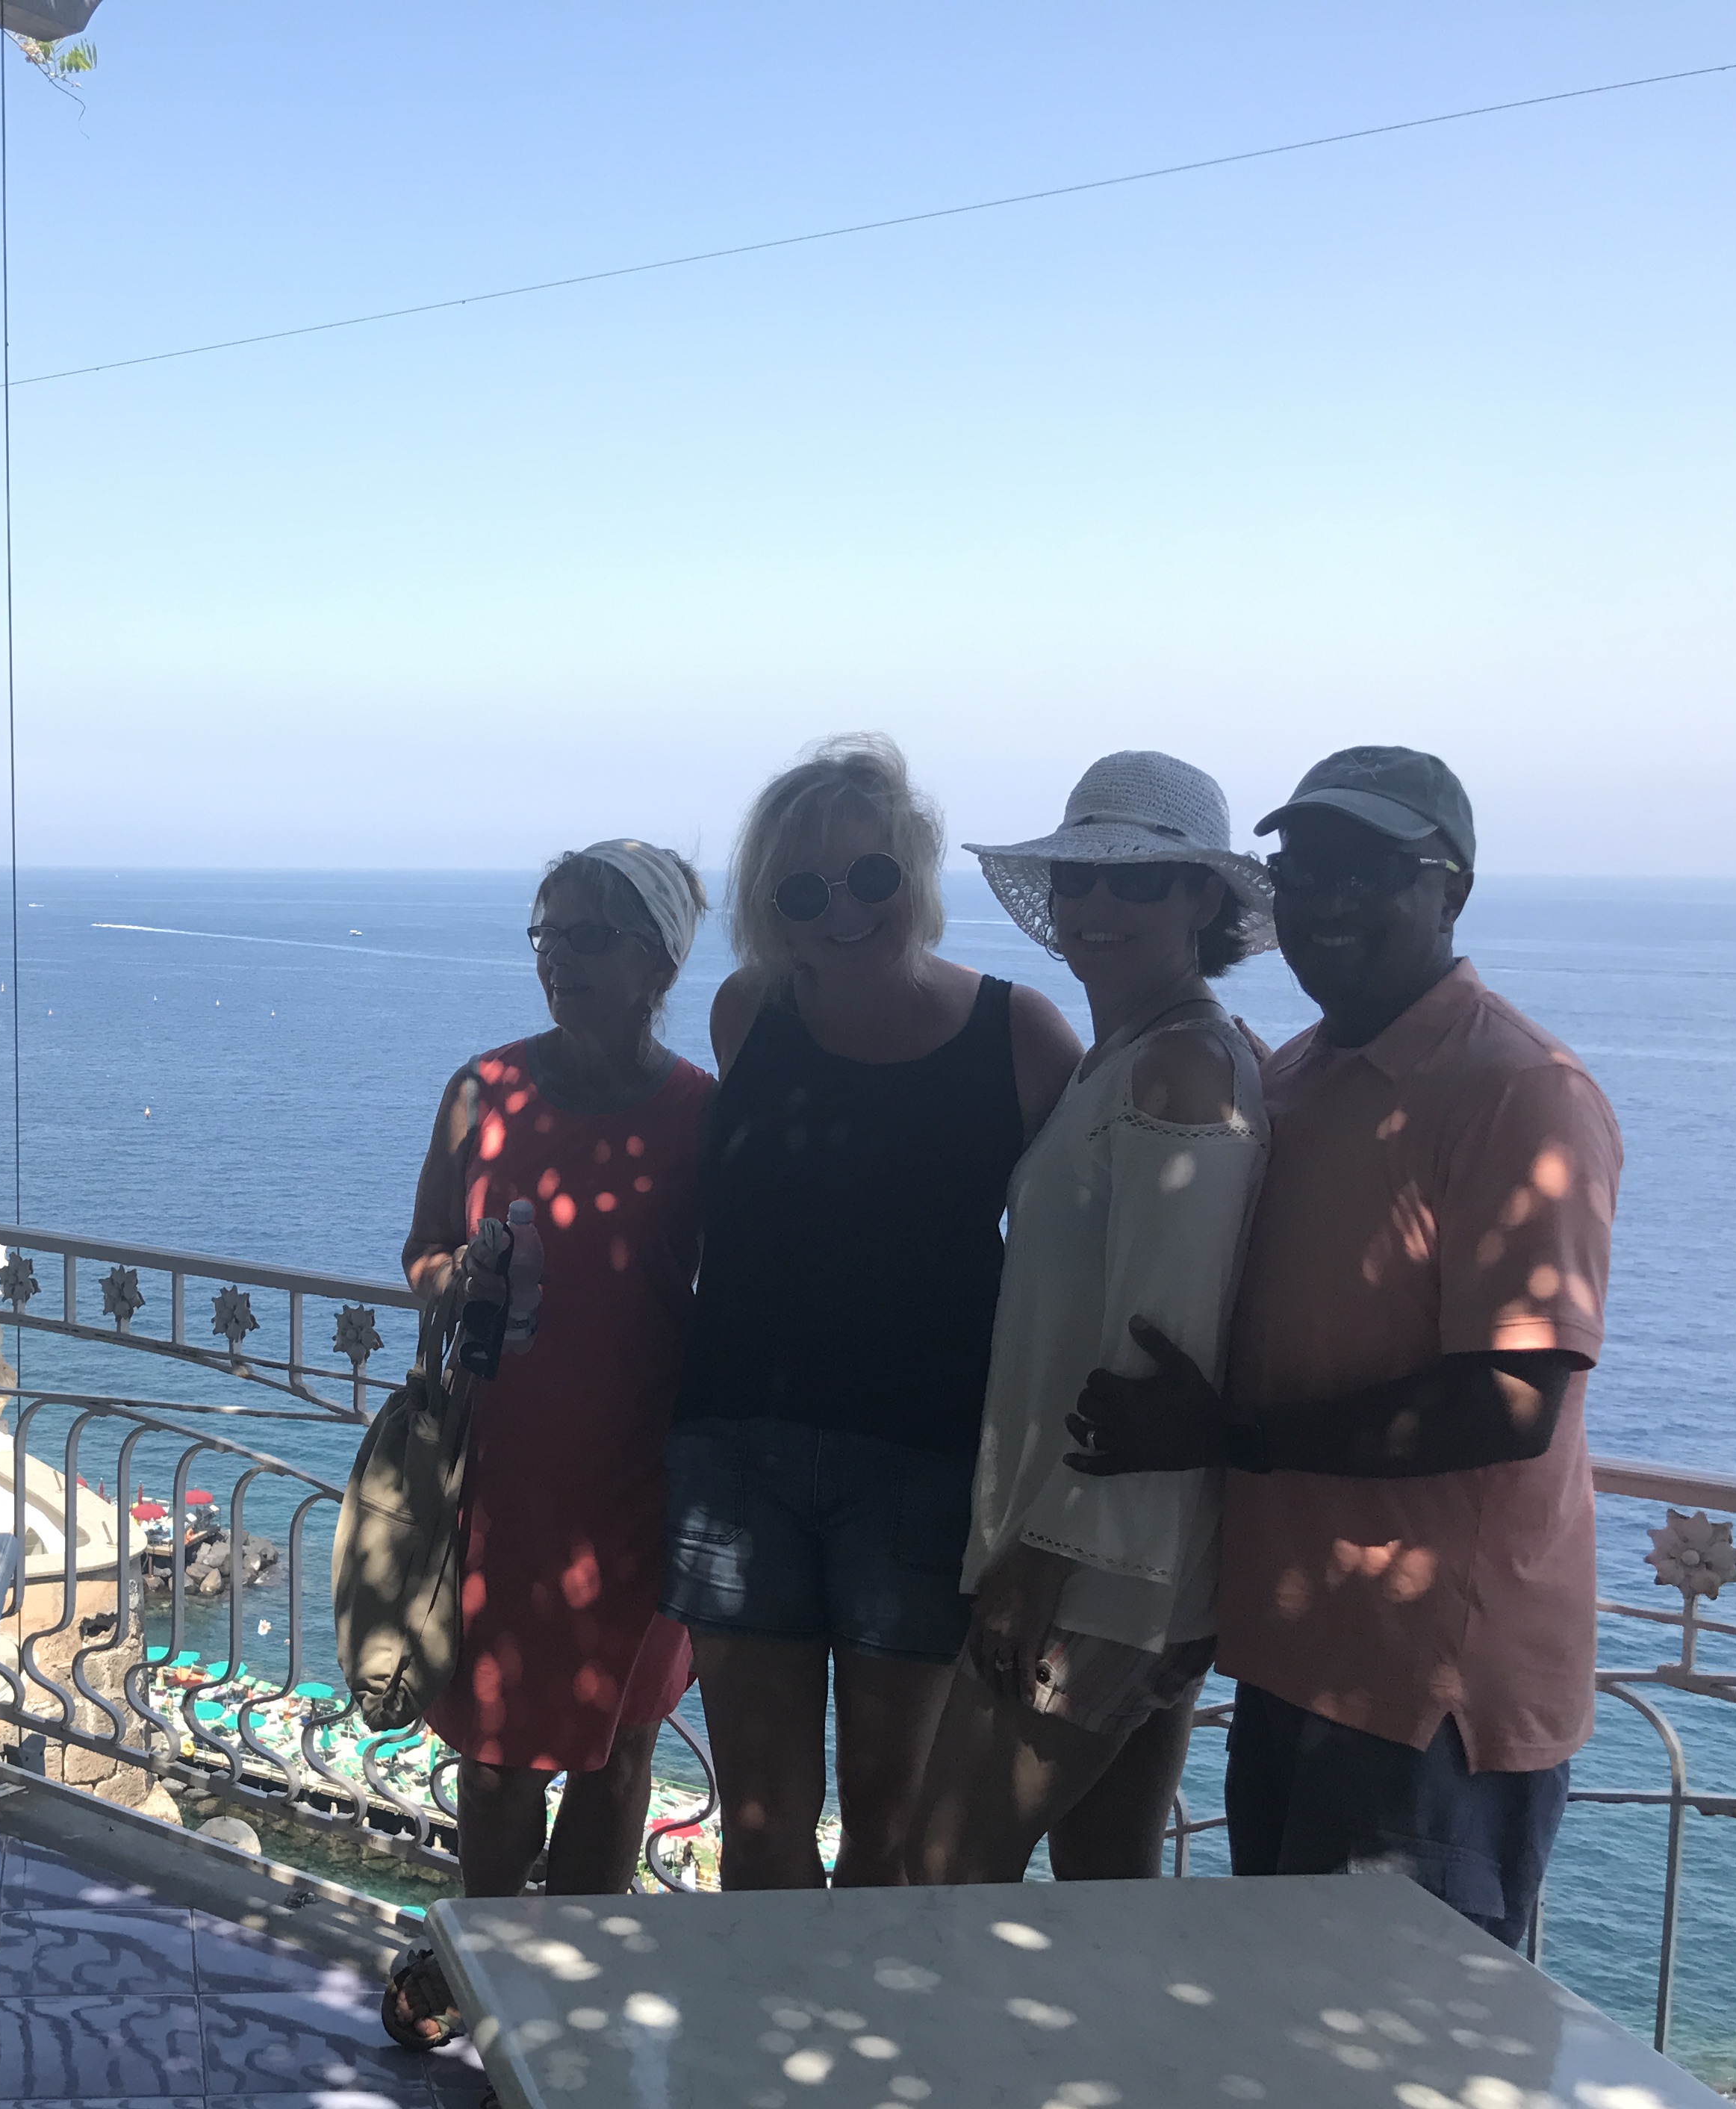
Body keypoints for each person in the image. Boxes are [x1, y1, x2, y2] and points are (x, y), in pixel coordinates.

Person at [1065, 747, 1619, 1947]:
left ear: (1451, 889)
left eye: (1369, 871)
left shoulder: (1520, 1090)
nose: (1326, 900)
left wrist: (1226, 1435)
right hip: (1293, 1657)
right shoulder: (1295, 1075)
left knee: (1396, 2048)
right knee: (1285, 2034)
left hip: (1429, 1698)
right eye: (1305, 869)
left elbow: (1511, 1400)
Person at [662, 736, 1077, 1888]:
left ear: (917, 873)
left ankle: (861, 2014)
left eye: (871, 877)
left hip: (924, 1466)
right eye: (805, 892)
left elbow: (1078, 1263)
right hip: (738, 1455)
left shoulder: (1020, 1037)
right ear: (770, 908)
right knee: (758, 1826)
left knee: (889, 1834)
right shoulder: (749, 1012)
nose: (843, 912)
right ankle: (765, 2014)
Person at [379, 842, 715, 2079]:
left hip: (643, 1488)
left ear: (660, 963)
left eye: (588, 936)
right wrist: (455, 1278)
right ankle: (495, 2001)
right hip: (503, 1482)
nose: (557, 960)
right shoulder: (481, 1092)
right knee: (499, 1761)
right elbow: (421, 1247)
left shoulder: (704, 1120)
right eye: (546, 934)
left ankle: (554, 2018)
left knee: (618, 1757)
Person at [909, 752, 1273, 1884]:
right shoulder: (1129, 1058)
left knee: (941, 1869)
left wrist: (1038, 1562)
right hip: (1129, 1562)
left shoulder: (1181, 1073)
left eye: (1139, 880)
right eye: (1078, 877)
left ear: (1202, 897)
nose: (1097, 904)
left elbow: (1158, 1362)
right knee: (1104, 1895)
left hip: (1100, 1569)